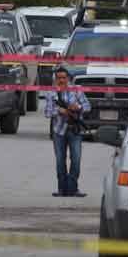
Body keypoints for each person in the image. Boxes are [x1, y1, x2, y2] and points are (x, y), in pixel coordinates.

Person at [44, 67, 91, 198]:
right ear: (55, 79)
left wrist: (78, 107)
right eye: (59, 78)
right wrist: (59, 111)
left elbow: (88, 106)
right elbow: (47, 113)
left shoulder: (77, 90)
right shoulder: (51, 93)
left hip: (74, 130)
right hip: (59, 131)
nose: (61, 80)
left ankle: (73, 189)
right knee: (60, 161)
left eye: (64, 78)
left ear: (68, 79)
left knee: (76, 160)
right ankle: (62, 189)